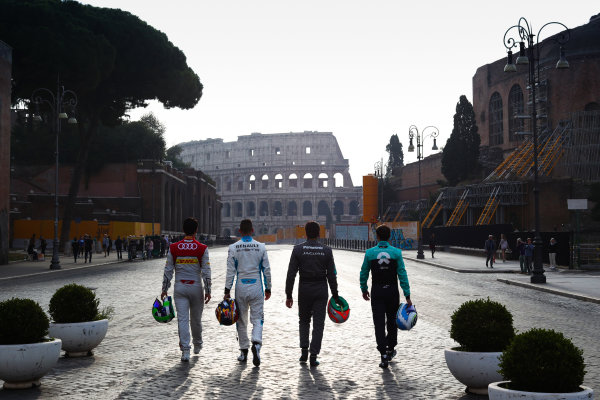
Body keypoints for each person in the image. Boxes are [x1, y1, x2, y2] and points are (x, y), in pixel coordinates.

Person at [285, 221, 340, 367]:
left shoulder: (298, 249)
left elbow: (291, 274)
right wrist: (335, 294)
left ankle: (304, 351)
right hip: (321, 289)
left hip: (304, 288)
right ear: (319, 233)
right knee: (318, 324)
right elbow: (332, 275)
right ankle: (313, 355)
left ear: (306, 233)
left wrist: (288, 294)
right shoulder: (327, 250)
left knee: (303, 321)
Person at [360, 224, 412, 369]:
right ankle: (390, 348)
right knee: (392, 321)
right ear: (389, 237)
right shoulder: (396, 253)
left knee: (378, 323)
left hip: (377, 291)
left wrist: (364, 289)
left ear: (377, 236)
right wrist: (407, 295)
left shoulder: (370, 253)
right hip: (392, 291)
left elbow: (363, 272)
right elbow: (402, 274)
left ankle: (382, 353)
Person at [161, 217, 211, 362]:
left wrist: (164, 288)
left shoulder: (173, 248)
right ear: (196, 230)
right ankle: (197, 344)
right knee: (196, 320)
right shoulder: (202, 248)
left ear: (183, 230)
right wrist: (208, 290)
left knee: (182, 320)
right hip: (196, 287)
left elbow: (168, 270)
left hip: (180, 287)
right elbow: (206, 271)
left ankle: (185, 351)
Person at [224, 219, 272, 367]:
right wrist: (268, 288)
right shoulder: (261, 247)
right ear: (252, 231)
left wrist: (227, 290)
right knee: (258, 319)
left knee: (241, 320)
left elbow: (230, 271)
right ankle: (256, 343)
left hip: (241, 286)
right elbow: (267, 270)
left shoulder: (233, 248)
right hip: (256, 286)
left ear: (239, 231)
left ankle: (243, 351)